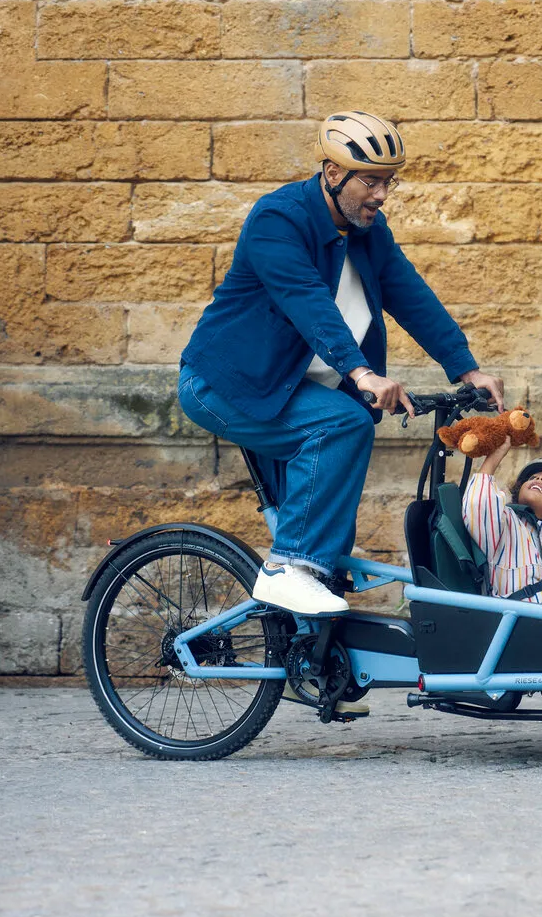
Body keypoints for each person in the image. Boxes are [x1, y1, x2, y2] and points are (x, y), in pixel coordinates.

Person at [177, 111, 506, 617]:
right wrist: (362, 373)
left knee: (330, 530)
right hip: (226, 386)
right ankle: (287, 568)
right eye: (371, 181)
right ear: (333, 173)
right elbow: (307, 302)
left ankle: (317, 656)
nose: (382, 195)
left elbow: (411, 296)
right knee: (342, 425)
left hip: (292, 391)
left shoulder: (370, 232)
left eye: (389, 182)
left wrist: (467, 369)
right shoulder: (279, 219)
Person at [461, 437, 542, 603]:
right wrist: (494, 457)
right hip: (507, 617)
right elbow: (478, 504)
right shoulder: (505, 523)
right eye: (533, 477)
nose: (539, 479)